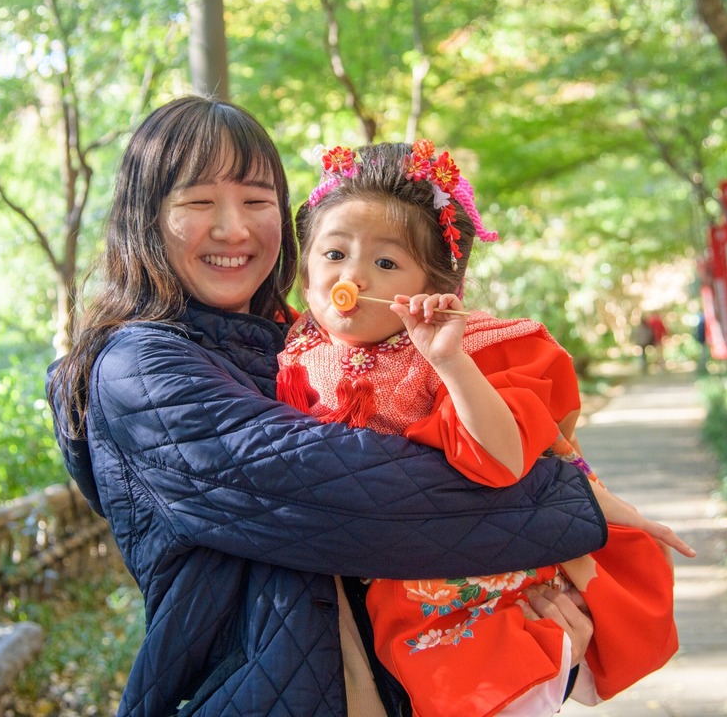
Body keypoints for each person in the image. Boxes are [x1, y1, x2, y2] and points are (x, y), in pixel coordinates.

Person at [46, 96, 611, 716]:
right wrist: (572, 504)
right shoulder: (141, 370)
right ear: (146, 219)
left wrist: (537, 657)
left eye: (257, 201)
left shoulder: (310, 344)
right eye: (199, 202)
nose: (234, 229)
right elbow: (361, 502)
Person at [277, 141, 688, 715]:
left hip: (468, 576)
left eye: (386, 263)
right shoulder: (290, 350)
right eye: (333, 253)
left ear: (434, 284)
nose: (353, 275)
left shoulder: (474, 351)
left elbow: (502, 460)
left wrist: (449, 361)